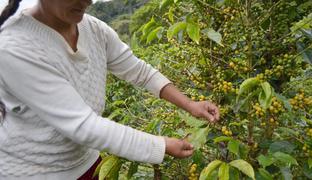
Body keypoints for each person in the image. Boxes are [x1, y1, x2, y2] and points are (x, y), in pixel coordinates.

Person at [0, 0, 220, 179]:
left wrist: (190, 105)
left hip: (87, 162)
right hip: (35, 172)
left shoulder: (93, 28)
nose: (87, 2)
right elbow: (83, 126)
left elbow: (139, 71)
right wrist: (160, 146)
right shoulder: (13, 47)